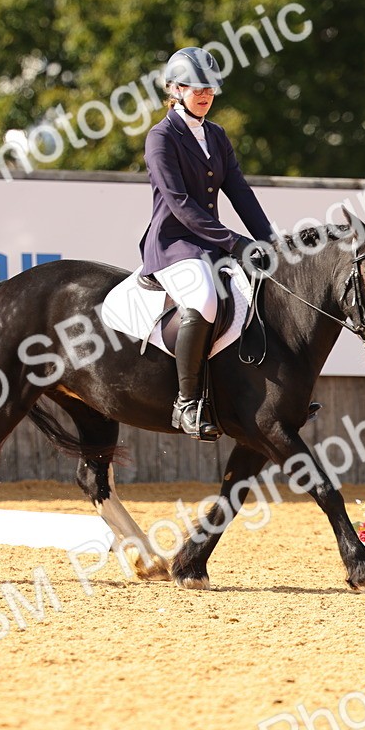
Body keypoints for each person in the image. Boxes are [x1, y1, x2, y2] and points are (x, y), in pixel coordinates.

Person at [140, 46, 276, 441]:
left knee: (263, 287)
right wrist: (236, 243)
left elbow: (240, 191)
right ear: (174, 89)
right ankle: (186, 403)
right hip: (172, 244)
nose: (204, 95)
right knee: (205, 298)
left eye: (210, 89)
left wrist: (270, 241)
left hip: (209, 243)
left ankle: (267, 394)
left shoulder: (215, 134)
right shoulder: (160, 138)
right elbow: (180, 206)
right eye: (194, 87)